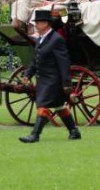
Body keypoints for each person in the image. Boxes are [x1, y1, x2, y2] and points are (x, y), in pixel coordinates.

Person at [19, 10, 81, 143]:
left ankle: (35, 135)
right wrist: (27, 75)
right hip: (43, 79)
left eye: (38, 23)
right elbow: (35, 60)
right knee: (59, 106)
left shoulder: (56, 39)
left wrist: (66, 83)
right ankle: (74, 131)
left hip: (54, 80)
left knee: (43, 105)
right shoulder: (41, 39)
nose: (36, 25)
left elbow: (64, 63)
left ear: (46, 24)